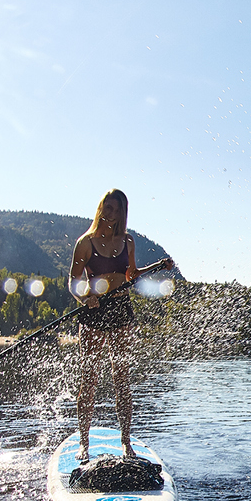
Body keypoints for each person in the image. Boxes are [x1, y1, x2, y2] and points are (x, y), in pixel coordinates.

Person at [68, 189, 170, 464]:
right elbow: (74, 281)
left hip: (122, 310)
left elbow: (131, 275)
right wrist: (84, 296)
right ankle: (83, 444)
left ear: (121, 214)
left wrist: (157, 267)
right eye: (105, 207)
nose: (107, 213)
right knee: (89, 378)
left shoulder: (128, 241)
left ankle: (126, 443)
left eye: (113, 209)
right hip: (95, 310)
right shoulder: (85, 243)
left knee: (121, 377)